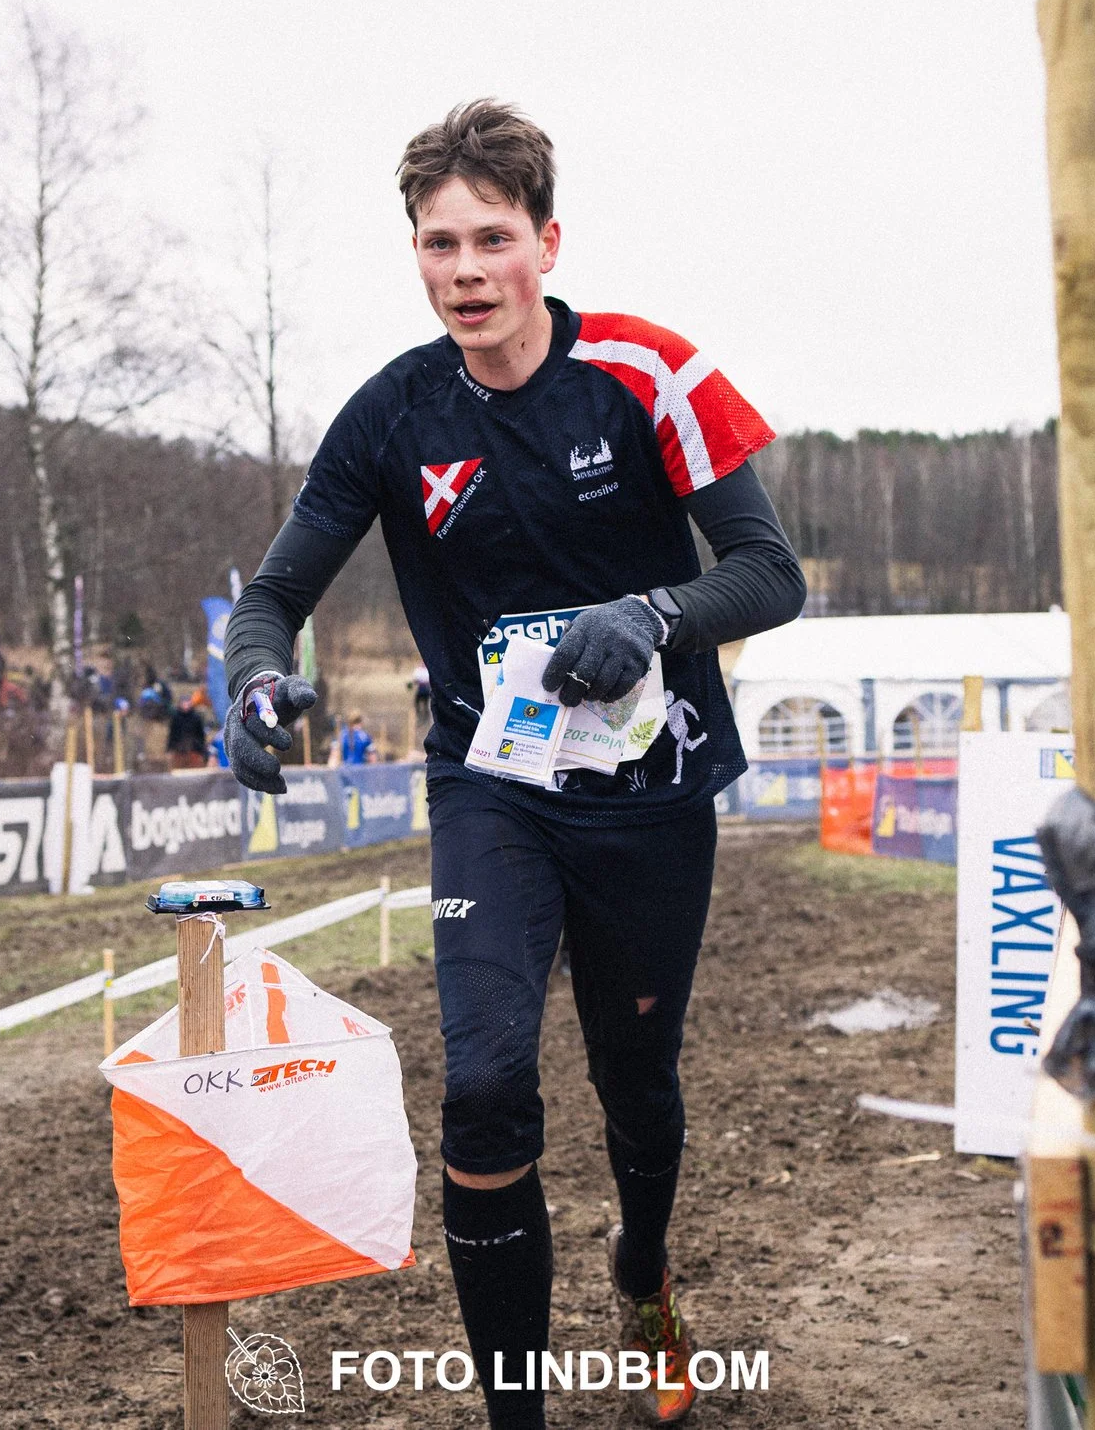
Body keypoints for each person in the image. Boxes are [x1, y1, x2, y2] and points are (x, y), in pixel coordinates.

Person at [220, 101, 805, 1428]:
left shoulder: (650, 372)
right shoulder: (391, 415)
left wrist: (653, 612)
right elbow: (275, 594)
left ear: (548, 240)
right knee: (484, 1081)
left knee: (636, 1082)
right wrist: (256, 680)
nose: (466, 269)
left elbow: (774, 573)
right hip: (494, 789)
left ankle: (643, 1269)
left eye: (493, 237)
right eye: (439, 243)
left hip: (652, 792)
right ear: (417, 255)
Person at [165, 693, 211, 769]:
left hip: (194, 748)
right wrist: (170, 748)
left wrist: (201, 748)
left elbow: (200, 735)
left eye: (188, 703)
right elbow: (172, 734)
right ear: (180, 704)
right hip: (179, 749)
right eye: (184, 703)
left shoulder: (196, 718)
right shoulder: (176, 718)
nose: (186, 705)